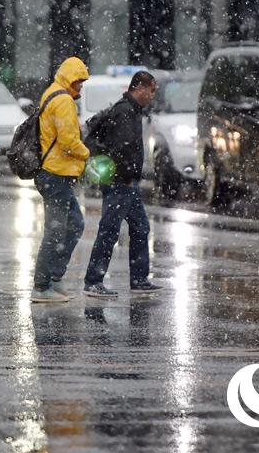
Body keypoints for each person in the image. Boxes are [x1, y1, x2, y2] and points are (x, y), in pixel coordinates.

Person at [83, 70, 163, 297]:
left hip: (128, 183)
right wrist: (127, 176)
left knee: (140, 228)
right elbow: (122, 149)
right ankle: (93, 281)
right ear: (140, 88)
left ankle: (139, 279)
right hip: (121, 183)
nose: (152, 95)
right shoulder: (125, 112)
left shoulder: (132, 110)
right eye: (151, 90)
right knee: (109, 230)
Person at [31, 56, 91, 303]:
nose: (80, 88)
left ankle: (54, 278)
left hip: (53, 173)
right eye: (78, 82)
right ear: (69, 79)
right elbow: (67, 142)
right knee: (56, 232)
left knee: (74, 224)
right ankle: (42, 285)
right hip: (56, 174)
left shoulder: (51, 93)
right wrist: (87, 153)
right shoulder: (63, 100)